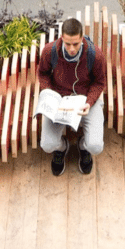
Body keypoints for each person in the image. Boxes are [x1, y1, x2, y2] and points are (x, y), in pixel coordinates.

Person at [37, 18, 108, 176]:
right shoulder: (50, 51)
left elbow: (99, 82)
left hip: (86, 99)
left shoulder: (95, 55)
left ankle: (83, 147)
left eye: (75, 44)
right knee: (47, 145)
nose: (71, 49)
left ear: (82, 38)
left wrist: (89, 102)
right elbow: (42, 74)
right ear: (61, 37)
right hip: (59, 100)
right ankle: (62, 147)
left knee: (96, 146)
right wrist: (49, 94)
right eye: (67, 43)